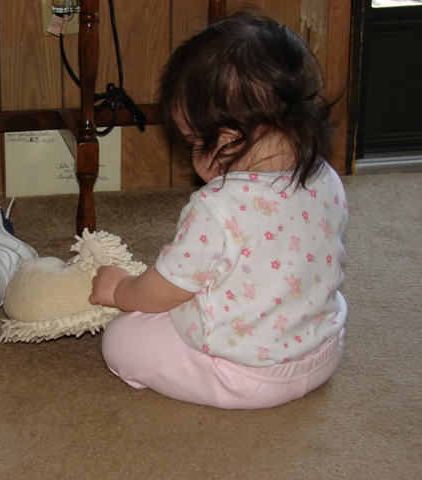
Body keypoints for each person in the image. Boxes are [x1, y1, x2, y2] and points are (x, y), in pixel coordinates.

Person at [89, 8, 348, 409]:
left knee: (122, 339)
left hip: (247, 375)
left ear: (228, 137)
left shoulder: (217, 207)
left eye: (195, 143)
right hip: (321, 352)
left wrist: (120, 288)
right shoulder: (325, 177)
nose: (193, 155)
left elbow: (166, 289)